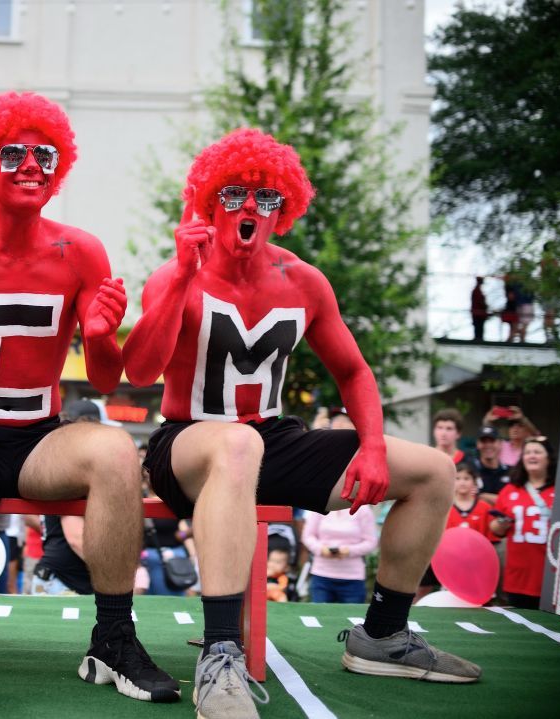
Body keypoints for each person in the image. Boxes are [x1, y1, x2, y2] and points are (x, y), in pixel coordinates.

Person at [123, 128, 481, 717]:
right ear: (208, 200)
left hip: (271, 440)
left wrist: (369, 445)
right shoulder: (176, 273)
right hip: (185, 444)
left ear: (281, 211)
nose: (248, 209)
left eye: (265, 200)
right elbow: (138, 370)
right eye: (234, 193)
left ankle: (384, 635)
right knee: (236, 443)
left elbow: (354, 371)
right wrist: (181, 278)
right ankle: (220, 654)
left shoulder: (304, 280)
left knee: (434, 470)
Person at [0, 92, 178, 718]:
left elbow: (106, 381)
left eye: (44, 154)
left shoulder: (80, 251)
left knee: (111, 446)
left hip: (38, 440)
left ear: (59, 170)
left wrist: (105, 335)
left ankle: (113, 636)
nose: (31, 164)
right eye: (15, 153)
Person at [490, 437, 556, 609]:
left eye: (537, 452)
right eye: (527, 452)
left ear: (549, 458)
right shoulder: (510, 490)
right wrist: (501, 524)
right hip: (518, 576)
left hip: (551, 575)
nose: (531, 456)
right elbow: (495, 529)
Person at [301, 506, 377, 604]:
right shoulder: (320, 507)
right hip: (321, 575)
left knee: (351, 616)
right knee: (320, 615)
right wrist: (321, 549)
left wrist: (349, 551)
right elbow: (308, 536)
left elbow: (371, 541)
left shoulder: (363, 510)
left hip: (352, 577)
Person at [447, 462, 495, 539]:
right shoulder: (445, 508)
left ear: (474, 481)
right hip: (450, 550)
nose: (462, 483)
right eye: (457, 478)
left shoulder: (485, 508)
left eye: (466, 478)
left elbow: (492, 539)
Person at [473, 426, 511, 502]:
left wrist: (482, 496)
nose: (488, 445)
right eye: (484, 441)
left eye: (492, 441)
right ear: (478, 444)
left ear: (500, 444)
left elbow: (514, 500)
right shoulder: (471, 470)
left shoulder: (511, 472)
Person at [470, 276, 489, 342]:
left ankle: (478, 338)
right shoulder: (477, 291)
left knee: (479, 327)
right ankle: (478, 339)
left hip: (478, 313)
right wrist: (485, 306)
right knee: (478, 327)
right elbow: (480, 303)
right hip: (478, 313)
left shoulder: (477, 291)